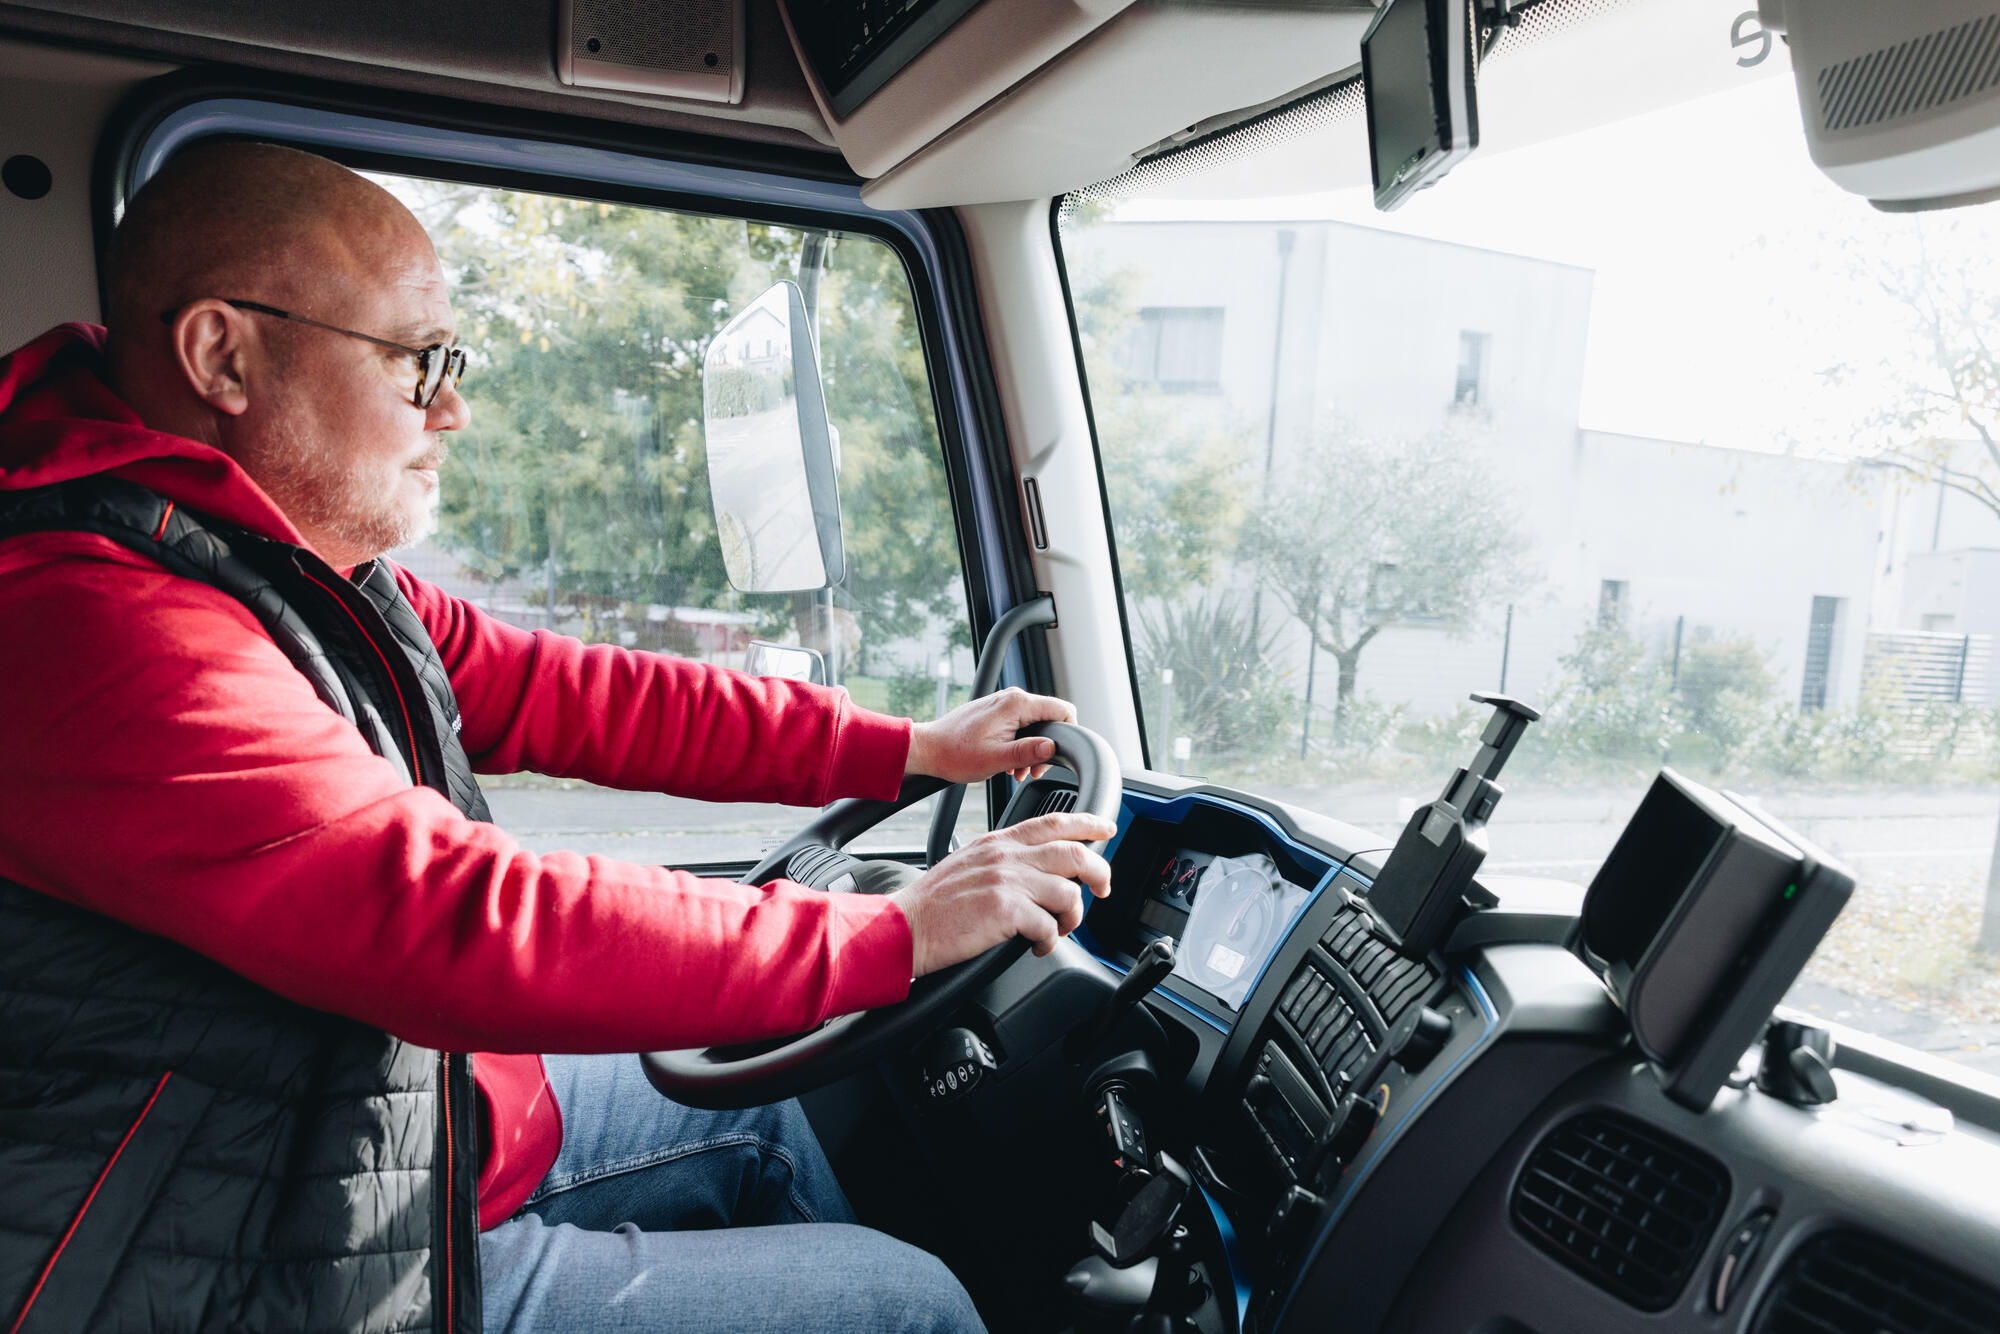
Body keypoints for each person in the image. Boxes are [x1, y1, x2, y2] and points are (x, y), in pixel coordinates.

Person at [0, 141, 1114, 1334]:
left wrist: (897, 748)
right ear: (225, 353)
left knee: (765, 1120)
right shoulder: (83, 612)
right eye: (418, 360)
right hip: (232, 1245)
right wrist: (896, 928)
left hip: (322, 1115)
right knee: (907, 1302)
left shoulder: (251, 553)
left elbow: (555, 687)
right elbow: (444, 912)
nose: (454, 407)